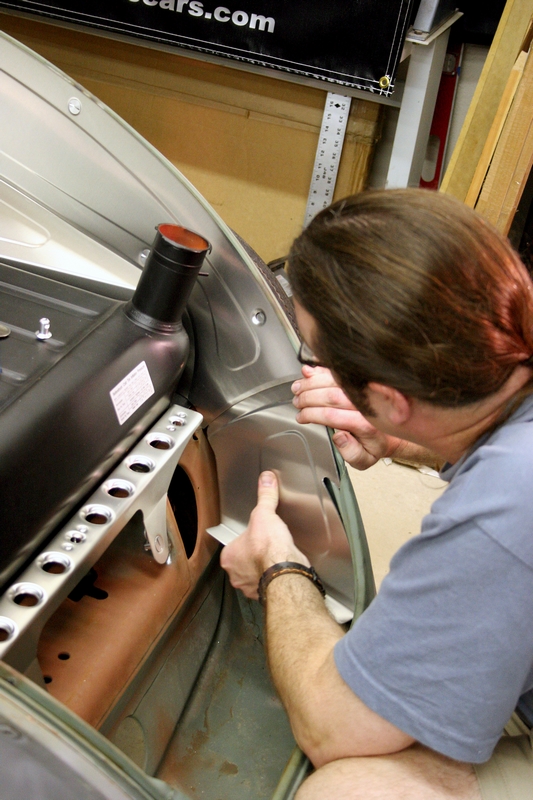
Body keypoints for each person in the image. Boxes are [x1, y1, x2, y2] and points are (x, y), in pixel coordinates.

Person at [220, 189, 533, 799]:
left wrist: (279, 566)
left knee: (347, 789)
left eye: (319, 356)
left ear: (391, 398)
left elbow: (329, 726)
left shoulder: (505, 506)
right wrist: (405, 437)